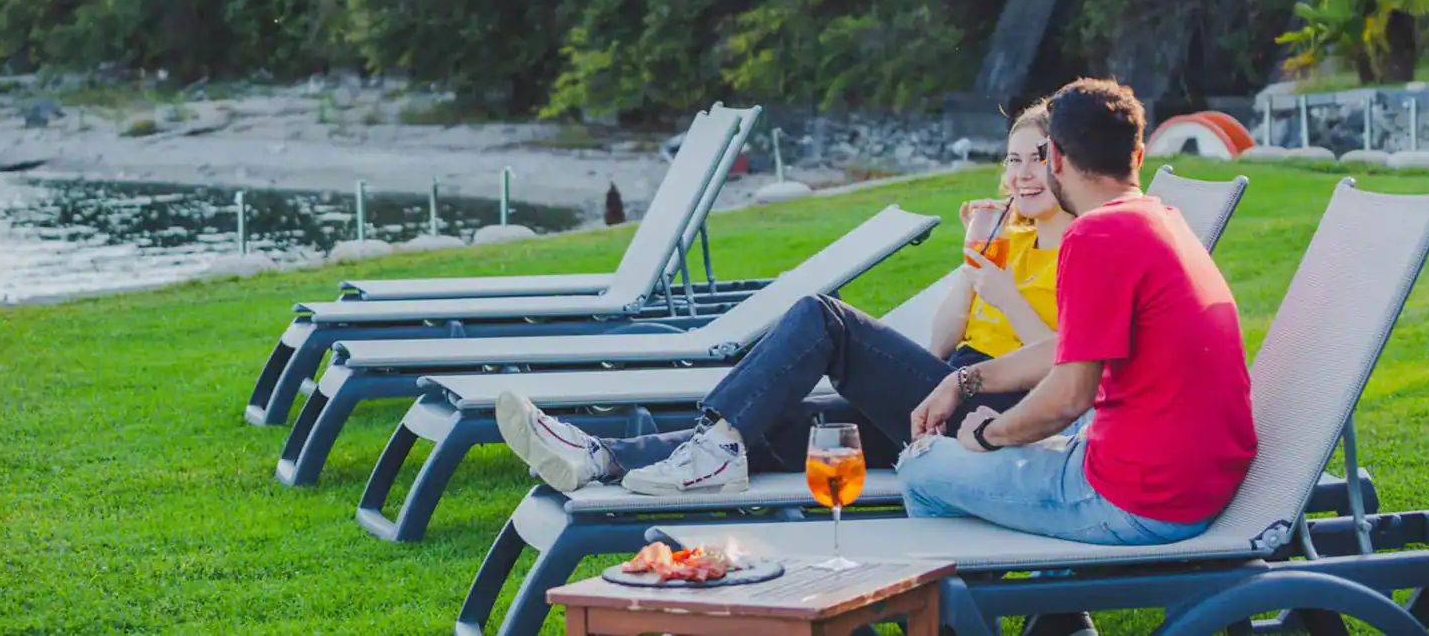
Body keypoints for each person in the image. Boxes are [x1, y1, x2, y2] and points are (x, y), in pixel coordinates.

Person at [494, 101, 1073, 496]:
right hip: (943, 392)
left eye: (1038, 158)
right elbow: (943, 343)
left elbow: (1069, 363)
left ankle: (708, 451)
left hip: (1000, 413)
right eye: (1014, 158)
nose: (1023, 173)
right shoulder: (1007, 234)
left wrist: (1007, 294)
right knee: (784, 426)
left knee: (825, 319)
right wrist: (972, 274)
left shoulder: (1080, 244)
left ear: (1066, 162)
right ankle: (601, 455)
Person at [899, 77, 1258, 548]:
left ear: (1057, 159)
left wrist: (989, 433)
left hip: (1135, 500)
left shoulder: (1096, 237)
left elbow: (1069, 396)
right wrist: (963, 381)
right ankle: (1057, 615)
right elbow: (1067, 349)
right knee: (968, 463)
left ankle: (979, 609)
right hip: (1193, 483)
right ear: (1139, 156)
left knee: (920, 466)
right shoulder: (1160, 219)